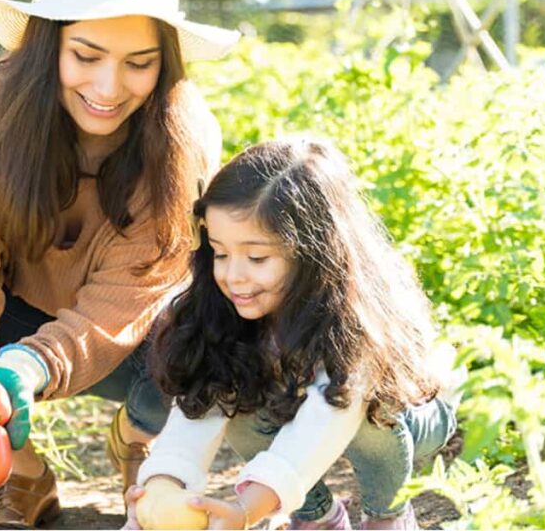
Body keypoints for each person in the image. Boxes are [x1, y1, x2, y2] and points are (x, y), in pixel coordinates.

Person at [0, 0, 241, 528]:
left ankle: (144, 440)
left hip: (130, 343)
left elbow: (125, 300)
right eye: (86, 56)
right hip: (11, 318)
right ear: (50, 44)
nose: (108, 87)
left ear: (164, 63)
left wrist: (26, 367)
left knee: (210, 324)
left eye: (138, 63)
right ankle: (19, 471)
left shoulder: (181, 139)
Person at [123, 140, 465, 530]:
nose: (233, 276)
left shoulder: (354, 323)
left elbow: (325, 419)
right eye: (220, 253)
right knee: (242, 409)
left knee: (372, 415)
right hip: (301, 405)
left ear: (313, 253)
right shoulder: (225, 312)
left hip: (407, 415)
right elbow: (198, 412)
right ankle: (318, 516)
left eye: (256, 258)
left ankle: (387, 513)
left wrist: (248, 508)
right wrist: (163, 484)